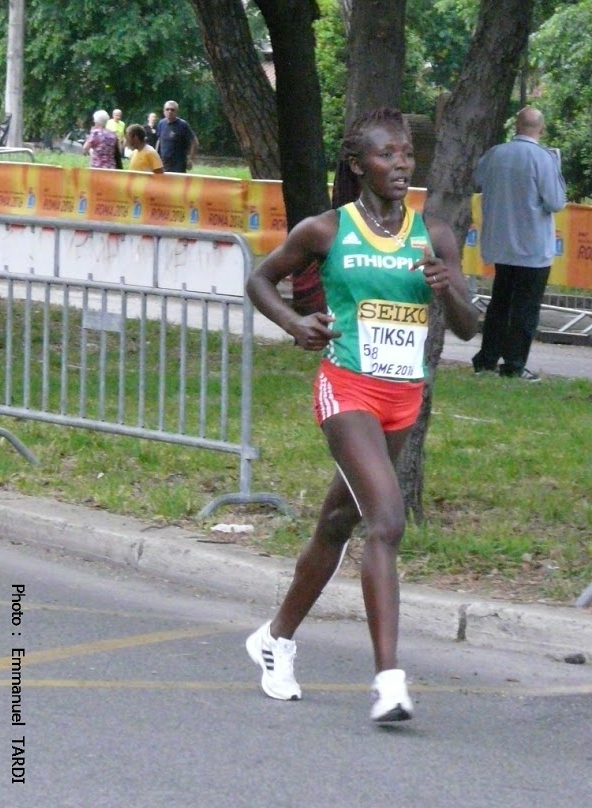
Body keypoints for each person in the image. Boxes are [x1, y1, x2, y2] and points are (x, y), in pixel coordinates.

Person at [245, 108, 479, 726]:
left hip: (403, 397)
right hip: (346, 388)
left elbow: (467, 327)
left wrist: (448, 288)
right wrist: (295, 323)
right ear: (358, 165)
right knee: (386, 521)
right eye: (387, 155)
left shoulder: (435, 234)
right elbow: (260, 279)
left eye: (407, 155)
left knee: (336, 522)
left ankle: (275, 638)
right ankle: (389, 680)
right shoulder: (326, 230)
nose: (401, 165)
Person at [471, 106, 567, 382]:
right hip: (532, 246)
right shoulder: (544, 158)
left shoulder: (495, 154)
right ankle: (514, 364)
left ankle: (487, 358)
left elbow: (478, 181)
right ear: (541, 129)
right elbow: (555, 202)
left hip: (500, 243)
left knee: (499, 303)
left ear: (516, 126)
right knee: (526, 308)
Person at [156, 100, 199, 173]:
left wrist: (190, 159)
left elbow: (194, 142)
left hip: (178, 165)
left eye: (172, 110)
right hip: (163, 163)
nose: (170, 111)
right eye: (167, 109)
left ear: (177, 112)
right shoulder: (161, 123)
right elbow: (159, 140)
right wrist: (155, 156)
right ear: (164, 111)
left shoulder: (183, 125)